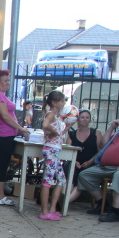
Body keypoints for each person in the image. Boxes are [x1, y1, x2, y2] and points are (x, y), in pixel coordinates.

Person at [0, 69, 30, 206]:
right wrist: (20, 128)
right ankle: (0, 195)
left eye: (8, 80)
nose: (8, 83)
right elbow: (5, 116)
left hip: (1, 133)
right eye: (5, 80)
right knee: (1, 165)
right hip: (2, 134)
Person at [38, 91, 71, 220]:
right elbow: (45, 125)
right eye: (62, 101)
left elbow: (57, 132)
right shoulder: (51, 114)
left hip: (54, 149)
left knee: (61, 179)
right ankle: (44, 210)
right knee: (48, 179)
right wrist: (54, 132)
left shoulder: (55, 116)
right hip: (51, 149)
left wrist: (65, 128)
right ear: (54, 102)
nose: (63, 103)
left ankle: (52, 208)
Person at [66, 108, 104, 203]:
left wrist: (90, 162)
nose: (85, 119)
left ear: (90, 120)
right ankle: (63, 201)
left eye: (87, 117)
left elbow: (100, 151)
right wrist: (75, 162)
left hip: (90, 163)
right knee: (70, 175)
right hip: (74, 162)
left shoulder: (96, 132)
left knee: (81, 180)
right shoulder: (71, 134)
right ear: (78, 119)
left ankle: (64, 203)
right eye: (82, 117)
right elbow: (68, 151)